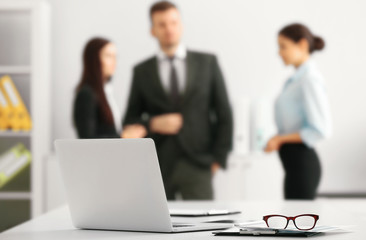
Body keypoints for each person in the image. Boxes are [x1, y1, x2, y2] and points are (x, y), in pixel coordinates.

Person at [122, 1, 233, 200]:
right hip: (158, 165)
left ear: (181, 25)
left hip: (199, 163)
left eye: (173, 22)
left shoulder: (207, 63)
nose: (169, 29)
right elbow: (129, 121)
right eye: (162, 24)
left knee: (203, 227)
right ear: (152, 30)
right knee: (157, 228)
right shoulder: (141, 71)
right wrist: (153, 123)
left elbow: (224, 113)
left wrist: (218, 158)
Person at [264, 23, 332, 200]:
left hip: (302, 164)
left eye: (283, 46)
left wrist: (280, 138)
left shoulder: (309, 80)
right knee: (292, 222)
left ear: (302, 45)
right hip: (293, 165)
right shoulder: (296, 80)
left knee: (297, 224)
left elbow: (320, 129)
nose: (279, 52)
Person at [73, 37, 146, 139]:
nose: (114, 62)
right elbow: (87, 139)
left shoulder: (106, 92)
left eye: (115, 56)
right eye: (108, 56)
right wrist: (123, 136)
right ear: (94, 59)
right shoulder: (87, 94)